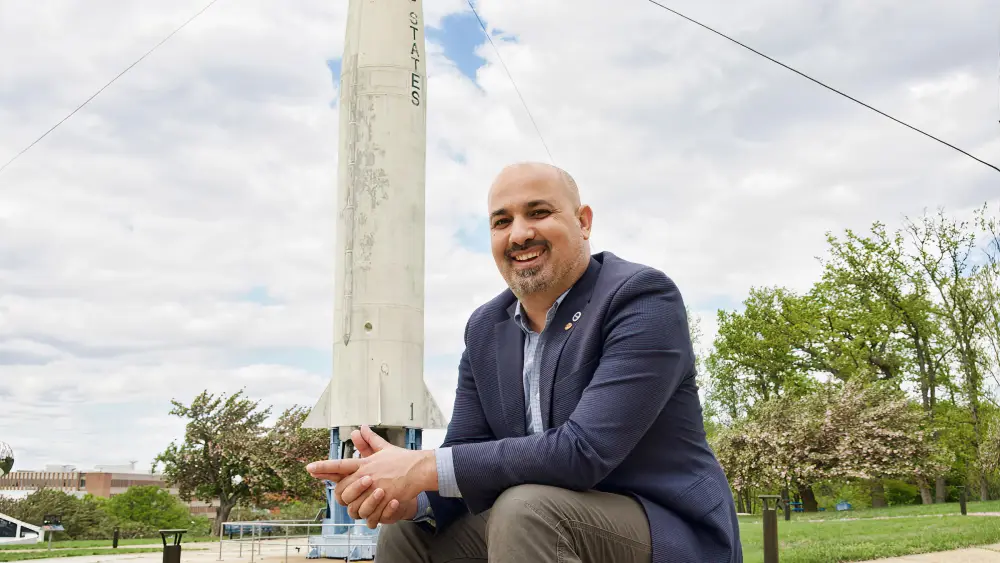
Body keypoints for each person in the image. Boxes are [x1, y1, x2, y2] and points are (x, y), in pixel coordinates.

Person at [306, 162, 742, 563]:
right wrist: (411, 496)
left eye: (538, 212)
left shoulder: (640, 298)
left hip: (665, 527)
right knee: (408, 533)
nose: (518, 234)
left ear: (583, 221)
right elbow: (466, 453)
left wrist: (419, 468)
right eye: (502, 221)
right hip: (542, 520)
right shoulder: (485, 328)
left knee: (525, 508)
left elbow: (584, 451)